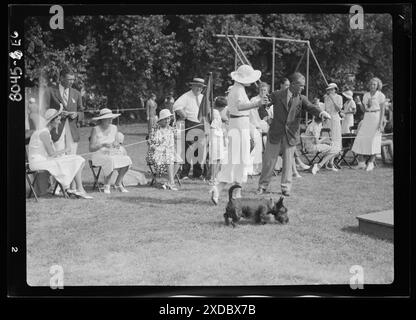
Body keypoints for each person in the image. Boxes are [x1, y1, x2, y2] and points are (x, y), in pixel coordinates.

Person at [257, 72, 331, 196]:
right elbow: (262, 107)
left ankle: (286, 188)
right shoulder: (276, 95)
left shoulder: (302, 98)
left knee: (288, 162)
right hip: (275, 132)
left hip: (291, 135)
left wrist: (321, 113)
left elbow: (311, 107)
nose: (303, 88)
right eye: (301, 86)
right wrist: (267, 119)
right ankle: (262, 186)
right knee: (269, 161)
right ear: (293, 84)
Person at [209, 64, 268, 204]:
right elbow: (240, 107)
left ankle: (228, 191)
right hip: (239, 126)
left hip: (239, 125)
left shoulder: (237, 89)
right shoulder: (238, 90)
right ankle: (230, 192)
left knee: (236, 159)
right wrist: (257, 103)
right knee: (239, 159)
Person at [28, 106, 92, 199]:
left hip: (44, 161)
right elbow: (51, 154)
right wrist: (65, 150)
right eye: (58, 119)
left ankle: (76, 188)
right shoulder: (43, 133)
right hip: (39, 163)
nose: (59, 122)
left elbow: (51, 154)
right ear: (52, 121)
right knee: (76, 159)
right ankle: (77, 189)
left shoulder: (45, 132)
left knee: (79, 159)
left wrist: (63, 154)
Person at [44, 67, 84, 191]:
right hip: (57, 130)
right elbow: (44, 111)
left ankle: (72, 186)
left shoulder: (76, 93)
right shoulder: (50, 91)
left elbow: (82, 112)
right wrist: (57, 114)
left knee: (72, 157)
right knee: (57, 157)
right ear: (61, 78)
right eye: (69, 79)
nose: (71, 82)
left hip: (72, 130)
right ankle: (56, 187)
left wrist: (76, 115)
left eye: (73, 79)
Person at [89, 108, 132, 194]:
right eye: (108, 118)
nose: (111, 120)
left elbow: (116, 142)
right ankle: (107, 185)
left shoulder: (114, 128)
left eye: (111, 118)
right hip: (98, 155)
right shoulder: (95, 129)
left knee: (127, 159)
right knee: (110, 160)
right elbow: (91, 148)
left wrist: (116, 144)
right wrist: (102, 145)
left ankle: (118, 183)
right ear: (102, 119)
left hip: (112, 153)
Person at [173, 77, 206, 179]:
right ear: (192, 86)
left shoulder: (203, 97)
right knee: (188, 149)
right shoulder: (186, 96)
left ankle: (197, 173)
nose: (199, 89)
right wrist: (184, 116)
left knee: (199, 149)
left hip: (201, 124)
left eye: (201, 87)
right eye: (197, 86)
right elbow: (176, 106)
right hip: (190, 123)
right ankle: (185, 173)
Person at [351, 77, 386, 171]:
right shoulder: (366, 95)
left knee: (374, 140)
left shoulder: (381, 95)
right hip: (367, 118)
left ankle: (371, 163)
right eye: (371, 84)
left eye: (374, 84)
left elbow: (382, 111)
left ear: (378, 86)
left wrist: (381, 123)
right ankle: (361, 163)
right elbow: (364, 110)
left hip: (376, 117)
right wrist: (358, 103)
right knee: (360, 139)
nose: (372, 86)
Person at [146, 109, 181, 190]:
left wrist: (177, 132)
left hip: (169, 154)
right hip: (156, 155)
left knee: (178, 160)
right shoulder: (155, 128)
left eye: (168, 118)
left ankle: (168, 182)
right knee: (169, 156)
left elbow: (178, 137)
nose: (167, 120)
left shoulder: (170, 128)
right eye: (165, 119)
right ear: (161, 120)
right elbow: (151, 145)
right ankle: (171, 183)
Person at [322, 82, 343, 171]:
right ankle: (326, 163)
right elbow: (325, 109)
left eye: (331, 89)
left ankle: (331, 162)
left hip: (335, 119)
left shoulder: (339, 97)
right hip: (327, 119)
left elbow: (339, 109)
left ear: (335, 89)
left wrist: (333, 99)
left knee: (335, 140)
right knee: (327, 139)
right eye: (328, 89)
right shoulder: (325, 97)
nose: (329, 91)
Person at [209, 96, 228, 184]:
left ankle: (215, 177)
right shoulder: (215, 113)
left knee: (218, 158)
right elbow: (213, 126)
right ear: (222, 107)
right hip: (215, 136)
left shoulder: (216, 112)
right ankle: (212, 178)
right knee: (214, 158)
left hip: (218, 135)